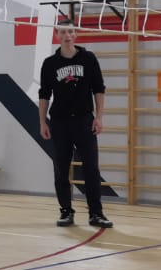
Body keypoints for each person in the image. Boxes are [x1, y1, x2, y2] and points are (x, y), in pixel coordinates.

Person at [38, 18, 112, 228]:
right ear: (57, 35)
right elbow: (44, 94)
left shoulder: (88, 58)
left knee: (91, 168)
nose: (67, 36)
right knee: (61, 169)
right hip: (59, 122)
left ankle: (96, 213)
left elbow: (99, 89)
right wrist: (42, 121)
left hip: (84, 121)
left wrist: (99, 117)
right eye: (62, 32)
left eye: (70, 31)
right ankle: (66, 211)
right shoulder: (50, 63)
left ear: (75, 33)